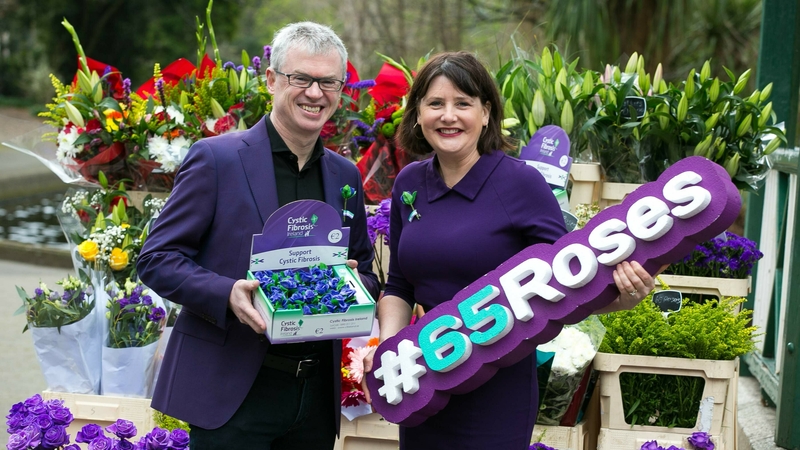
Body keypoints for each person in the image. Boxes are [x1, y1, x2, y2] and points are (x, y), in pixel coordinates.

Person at [361, 51, 655, 450]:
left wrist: (625, 298)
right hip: (423, 380)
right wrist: (388, 350)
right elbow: (399, 285)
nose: (448, 116)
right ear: (417, 114)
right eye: (435, 104)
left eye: (463, 103)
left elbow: (569, 283)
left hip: (498, 384)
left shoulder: (521, 184)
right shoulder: (409, 183)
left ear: (486, 113)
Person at [136, 22, 380, 450]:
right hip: (231, 391)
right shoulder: (217, 159)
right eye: (300, 78)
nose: (315, 93)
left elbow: (367, 273)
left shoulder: (344, 175)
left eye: (328, 82)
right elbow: (157, 258)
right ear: (271, 79)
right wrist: (226, 293)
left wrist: (349, 284)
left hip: (315, 397)